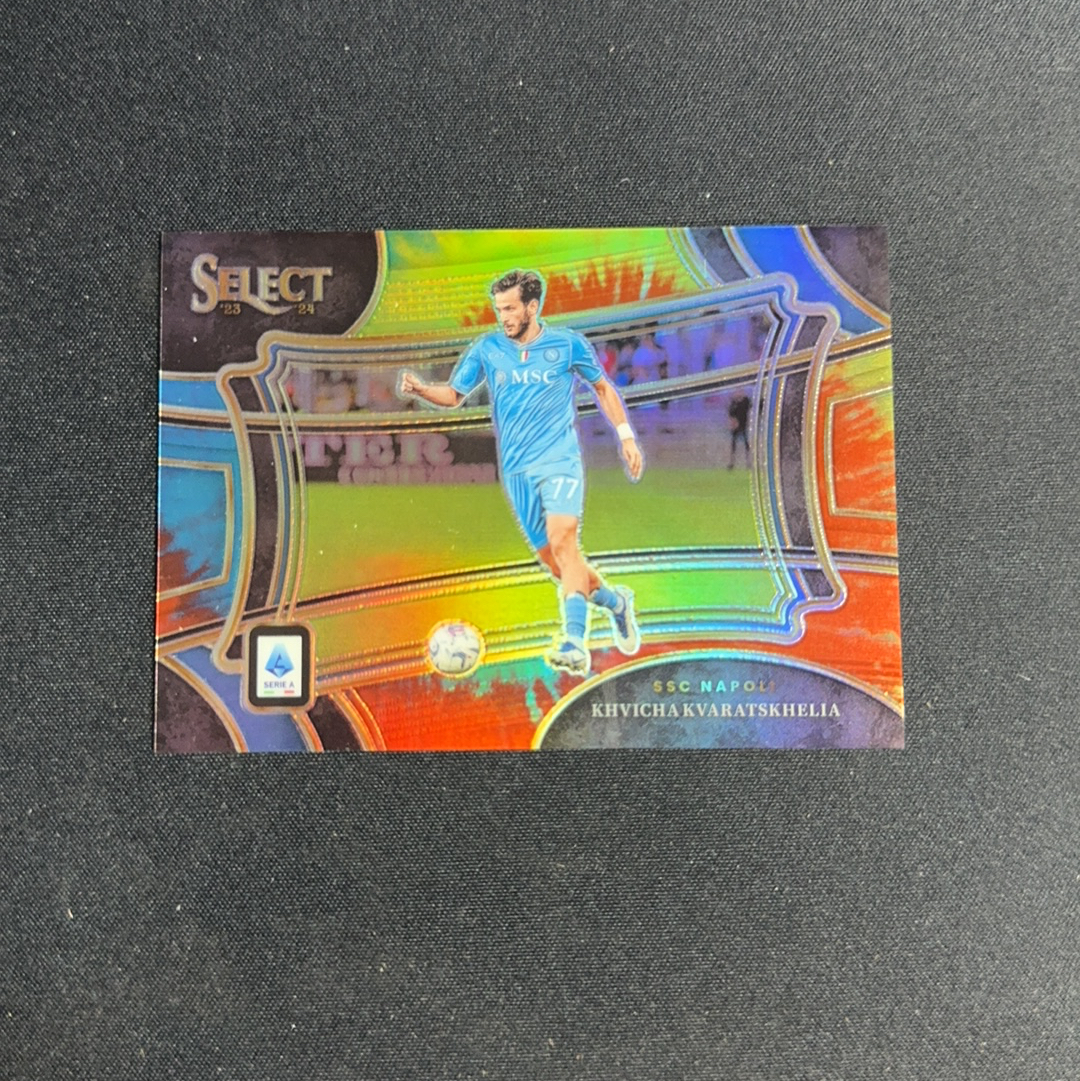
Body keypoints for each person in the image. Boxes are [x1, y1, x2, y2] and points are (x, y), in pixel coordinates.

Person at [399, 269, 643, 676]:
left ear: (532, 307)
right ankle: (617, 602)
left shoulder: (567, 344)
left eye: (511, 309)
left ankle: (574, 642)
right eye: (499, 309)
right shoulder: (487, 348)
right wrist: (423, 389)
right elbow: (454, 395)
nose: (504, 317)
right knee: (559, 565)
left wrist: (626, 437)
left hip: (560, 460)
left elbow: (603, 387)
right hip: (516, 470)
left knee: (564, 542)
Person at [728, 393, 751, 468]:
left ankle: (748, 462)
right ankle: (732, 462)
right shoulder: (734, 404)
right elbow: (731, 415)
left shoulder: (745, 402)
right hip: (737, 426)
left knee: (746, 444)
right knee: (734, 444)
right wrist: (734, 423)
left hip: (743, 425)